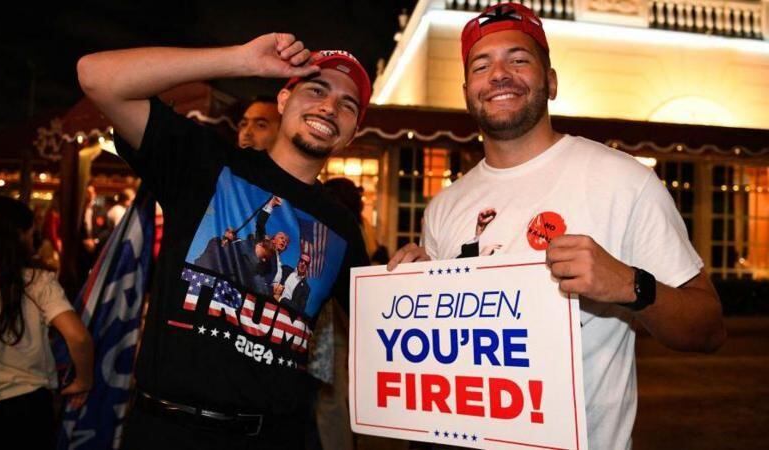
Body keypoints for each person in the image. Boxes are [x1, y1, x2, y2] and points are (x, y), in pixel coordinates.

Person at [387, 3, 726, 449]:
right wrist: (421, 291)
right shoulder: (446, 206)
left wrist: (629, 284)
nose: (500, 74)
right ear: (467, 89)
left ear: (551, 81)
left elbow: (708, 328)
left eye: (519, 59)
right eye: (482, 64)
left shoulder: (625, 181)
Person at [77, 33, 371, 449]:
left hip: (277, 434)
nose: (329, 106)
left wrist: (413, 269)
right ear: (284, 100)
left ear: (352, 133)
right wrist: (239, 59)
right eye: (316, 89)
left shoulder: (340, 226)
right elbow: (96, 76)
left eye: (348, 105)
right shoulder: (207, 165)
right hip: (168, 430)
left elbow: (379, 318)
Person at [0, 196, 94, 450]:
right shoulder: (37, 282)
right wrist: (84, 380)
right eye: (30, 232)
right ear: (19, 236)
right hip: (28, 405)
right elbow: (78, 337)